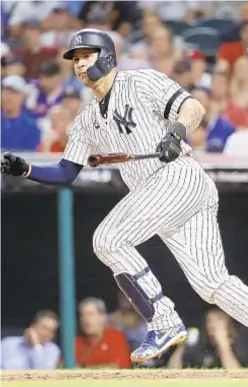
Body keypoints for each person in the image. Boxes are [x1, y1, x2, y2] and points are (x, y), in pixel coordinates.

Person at [2, 28, 248, 364]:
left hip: (179, 178)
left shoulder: (140, 81)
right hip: (163, 194)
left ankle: (163, 321)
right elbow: (66, 173)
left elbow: (193, 109)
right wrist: (27, 170)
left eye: (85, 55)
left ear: (105, 56)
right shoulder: (86, 119)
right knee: (212, 283)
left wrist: (176, 133)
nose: (78, 64)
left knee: (108, 238)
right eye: (74, 58)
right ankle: (166, 320)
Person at [167, 307, 248, 369]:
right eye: (209, 321)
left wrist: (223, 344)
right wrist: (182, 346)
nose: (211, 325)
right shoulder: (203, 346)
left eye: (217, 320)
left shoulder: (239, 345)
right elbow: (172, 369)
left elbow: (236, 375)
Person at [75, 297, 131, 368]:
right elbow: (63, 366)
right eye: (82, 315)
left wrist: (84, 368)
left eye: (90, 314)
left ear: (102, 316)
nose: (86, 319)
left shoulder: (115, 337)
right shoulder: (76, 342)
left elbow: (117, 367)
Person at [1, 75, 41, 151]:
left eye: (13, 93)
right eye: (6, 92)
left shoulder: (31, 125)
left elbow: (32, 154)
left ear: (23, 97)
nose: (8, 97)